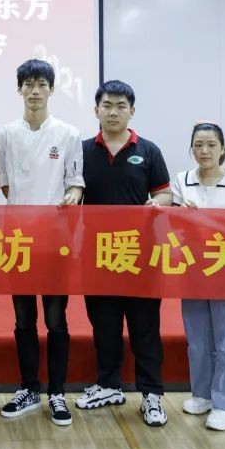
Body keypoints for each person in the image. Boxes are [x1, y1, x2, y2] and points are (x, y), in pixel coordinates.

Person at [76, 80, 173, 427]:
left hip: (139, 255)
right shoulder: (81, 151)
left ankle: (152, 395)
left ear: (132, 111)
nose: (113, 112)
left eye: (120, 106)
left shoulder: (148, 150)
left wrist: (156, 204)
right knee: (104, 325)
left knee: (145, 328)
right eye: (107, 105)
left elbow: (164, 194)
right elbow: (73, 192)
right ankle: (108, 385)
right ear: (96, 110)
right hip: (97, 255)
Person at [0, 59, 83, 426]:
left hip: (56, 241)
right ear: (20, 89)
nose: (34, 91)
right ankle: (29, 388)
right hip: (18, 240)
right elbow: (5, 185)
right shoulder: (5, 135)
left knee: (56, 318)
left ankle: (57, 393)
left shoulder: (68, 134)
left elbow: (75, 182)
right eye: (28, 84)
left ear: (51, 89)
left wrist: (73, 195)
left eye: (41, 84)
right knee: (23, 317)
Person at [171, 122, 225, 432]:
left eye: (211, 145)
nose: (204, 151)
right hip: (192, 269)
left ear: (223, 148)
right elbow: (172, 225)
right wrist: (179, 213)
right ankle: (202, 394)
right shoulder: (182, 180)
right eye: (198, 145)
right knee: (198, 339)